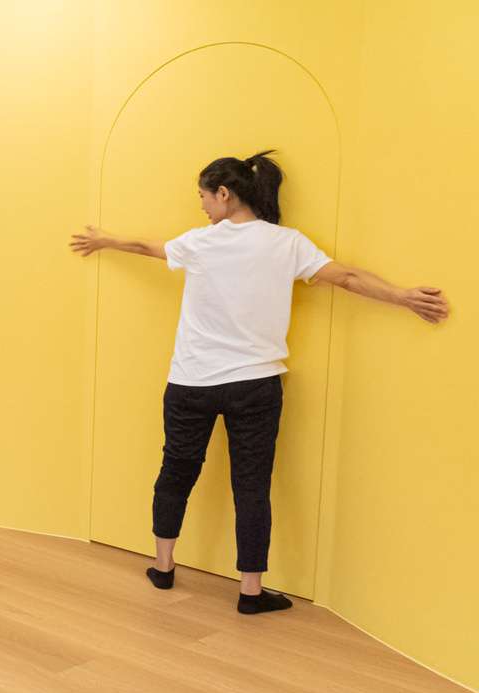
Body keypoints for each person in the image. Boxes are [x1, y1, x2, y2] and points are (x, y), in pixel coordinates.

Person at [70, 150, 449, 613]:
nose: (202, 206)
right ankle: (250, 592)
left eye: (204, 197)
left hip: (191, 382)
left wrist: (106, 241)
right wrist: (403, 297)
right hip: (255, 385)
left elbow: (148, 248)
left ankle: (163, 568)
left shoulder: (201, 242)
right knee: (251, 485)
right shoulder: (286, 243)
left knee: (176, 472)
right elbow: (347, 277)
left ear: (224, 194)